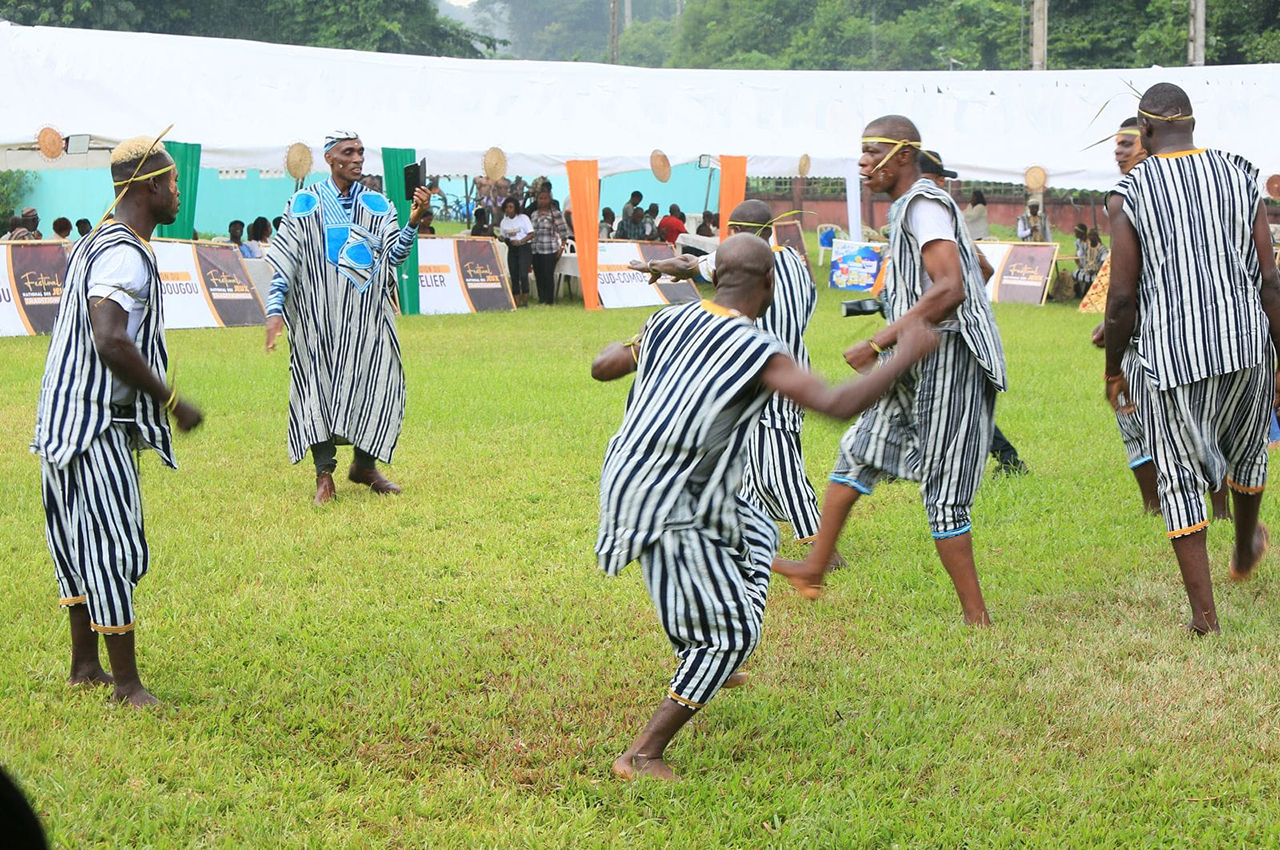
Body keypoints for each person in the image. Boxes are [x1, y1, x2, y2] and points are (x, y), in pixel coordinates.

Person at [594, 233, 939, 781]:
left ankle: (704, 651)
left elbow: (603, 366)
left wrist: (627, 351)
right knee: (734, 635)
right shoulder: (757, 349)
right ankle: (643, 753)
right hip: (670, 498)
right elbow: (835, 402)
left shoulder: (669, 322)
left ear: (714, 276)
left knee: (756, 527)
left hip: (635, 476)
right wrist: (906, 355)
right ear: (769, 285)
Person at [773, 115, 1007, 626]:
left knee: (945, 493)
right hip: (914, 358)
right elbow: (977, 269)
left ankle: (977, 619)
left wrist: (880, 338)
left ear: (903, 156)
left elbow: (951, 288)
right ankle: (813, 567)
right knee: (856, 450)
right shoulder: (913, 208)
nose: (861, 163)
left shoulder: (924, 203)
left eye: (870, 152)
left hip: (948, 360)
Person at [32, 134, 204, 707]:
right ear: (150, 186)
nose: (178, 193)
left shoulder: (94, 242)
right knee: (112, 547)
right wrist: (172, 399)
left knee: (76, 543)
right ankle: (126, 685)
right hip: (94, 424)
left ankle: (85, 667)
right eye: (173, 183)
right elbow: (110, 339)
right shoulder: (124, 251)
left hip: (60, 419)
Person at [1105, 83, 1280, 635]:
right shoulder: (1241, 173)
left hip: (1172, 358)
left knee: (1178, 477)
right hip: (1249, 344)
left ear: (1147, 130)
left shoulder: (1132, 190)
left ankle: (1205, 619)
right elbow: (1270, 278)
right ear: (1192, 124)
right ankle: (1248, 539)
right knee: (1249, 449)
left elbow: (1123, 297)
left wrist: (1113, 368)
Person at [632, 199, 837, 561]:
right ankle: (746, 531)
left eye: (731, 232)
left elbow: (686, 265)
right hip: (794, 370)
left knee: (779, 461)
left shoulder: (744, 262)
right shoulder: (798, 266)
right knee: (753, 457)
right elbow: (806, 312)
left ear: (740, 233)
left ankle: (820, 543)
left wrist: (652, 264)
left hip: (764, 373)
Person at [264, 131, 429, 504]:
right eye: (348, 152)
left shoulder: (378, 204)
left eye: (360, 152)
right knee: (316, 389)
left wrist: (414, 221)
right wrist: (275, 310)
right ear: (329, 158)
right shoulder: (304, 202)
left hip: (367, 320)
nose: (357, 159)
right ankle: (324, 474)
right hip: (317, 321)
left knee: (376, 381)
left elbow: (395, 255)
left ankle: (364, 465)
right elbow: (286, 262)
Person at [923, 151, 1028, 477]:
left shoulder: (935, 223)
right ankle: (1007, 458)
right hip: (950, 328)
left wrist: (947, 309)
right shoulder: (941, 221)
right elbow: (984, 268)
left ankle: (1007, 458)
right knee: (957, 403)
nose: (942, 185)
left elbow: (984, 268)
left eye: (937, 179)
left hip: (940, 330)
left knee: (946, 402)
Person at [530, 188, 569, 305]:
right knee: (539, 274)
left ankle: (549, 300)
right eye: (540, 198)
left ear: (550, 199)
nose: (542, 201)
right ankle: (541, 299)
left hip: (550, 249)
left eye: (545, 198)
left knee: (548, 275)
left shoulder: (555, 214)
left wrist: (561, 248)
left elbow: (563, 233)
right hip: (536, 249)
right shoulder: (534, 214)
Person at [498, 196, 534, 307]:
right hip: (512, 249)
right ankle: (516, 300)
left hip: (524, 248)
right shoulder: (504, 222)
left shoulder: (523, 218)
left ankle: (525, 299)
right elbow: (502, 235)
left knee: (523, 274)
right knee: (514, 274)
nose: (508, 210)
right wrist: (502, 238)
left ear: (515, 208)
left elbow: (531, 234)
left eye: (511, 207)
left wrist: (520, 241)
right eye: (507, 207)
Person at [1073, 229, 1108, 297]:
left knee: (1093, 278)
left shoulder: (1102, 249)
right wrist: (1081, 266)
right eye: (1090, 237)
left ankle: (1088, 292)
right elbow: (1077, 256)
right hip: (1086, 271)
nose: (1091, 238)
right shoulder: (1085, 246)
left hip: (1097, 272)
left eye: (1093, 236)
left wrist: (1097, 270)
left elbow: (1104, 263)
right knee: (1075, 273)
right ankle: (1079, 292)